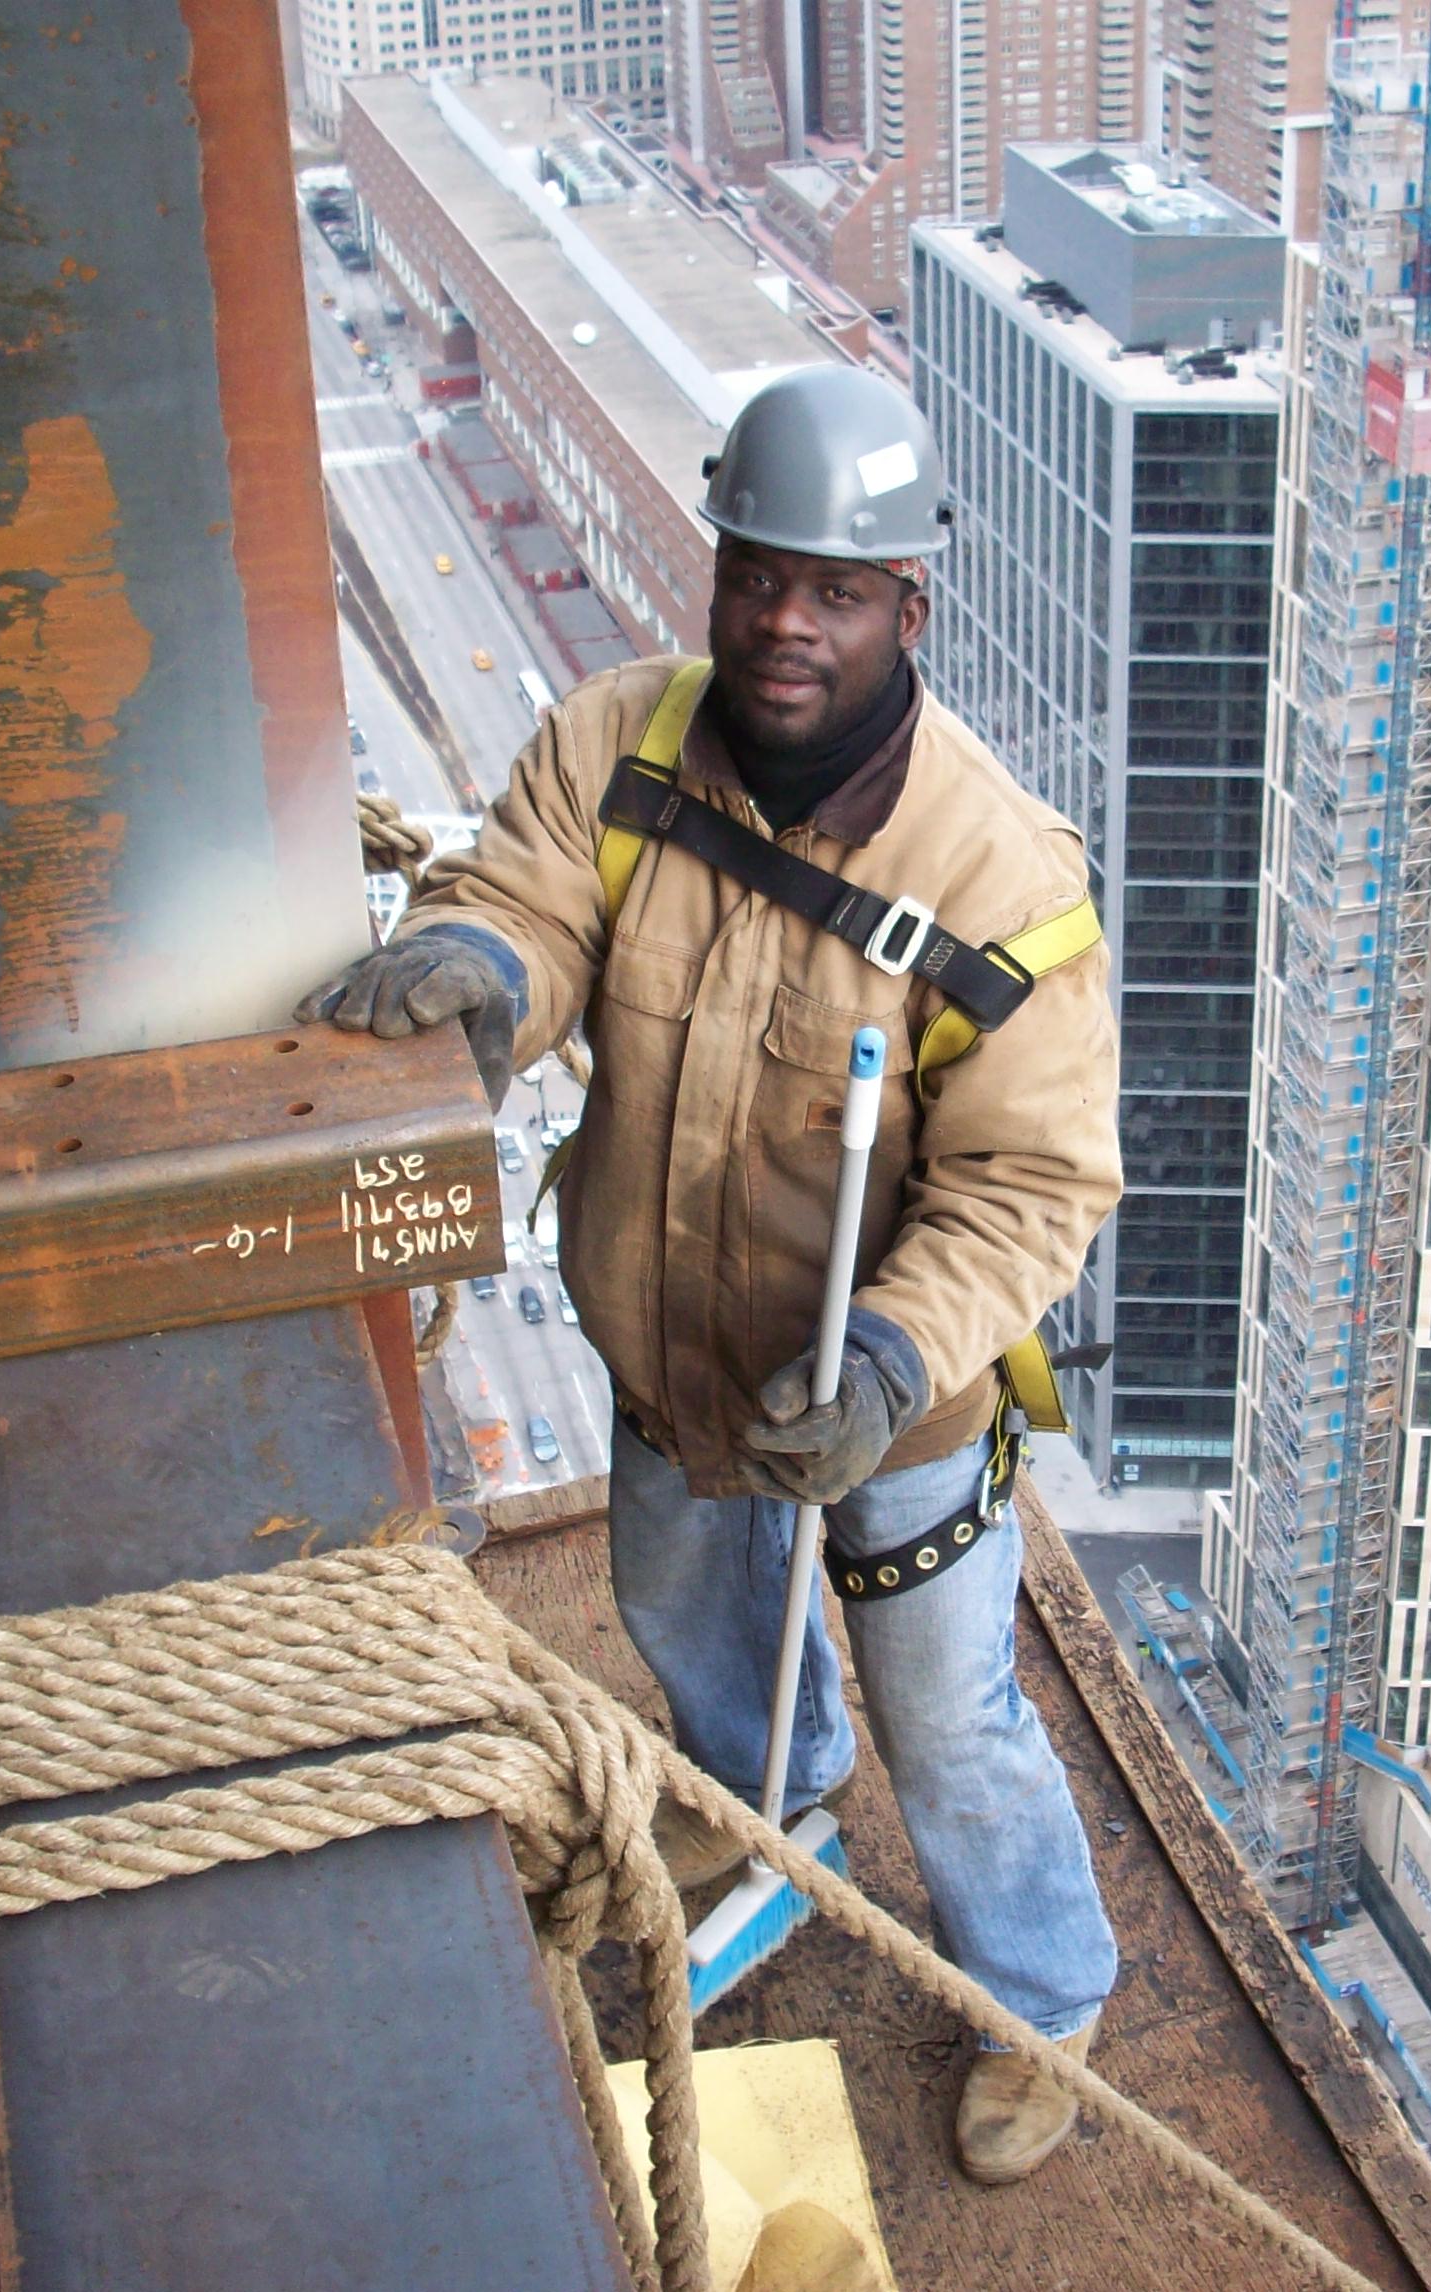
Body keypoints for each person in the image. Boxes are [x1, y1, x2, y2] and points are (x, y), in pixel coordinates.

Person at [301, 366, 1123, 2185]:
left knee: (955, 1723)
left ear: (909, 606)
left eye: (834, 592)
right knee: (690, 1622)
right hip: (673, 1353)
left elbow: (1031, 1180)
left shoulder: (994, 876)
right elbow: (525, 896)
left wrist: (895, 1366)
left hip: (891, 1405)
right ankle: (776, 1801)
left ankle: (1045, 2000)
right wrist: (482, 975)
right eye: (758, 573)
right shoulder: (623, 747)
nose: (782, 624)